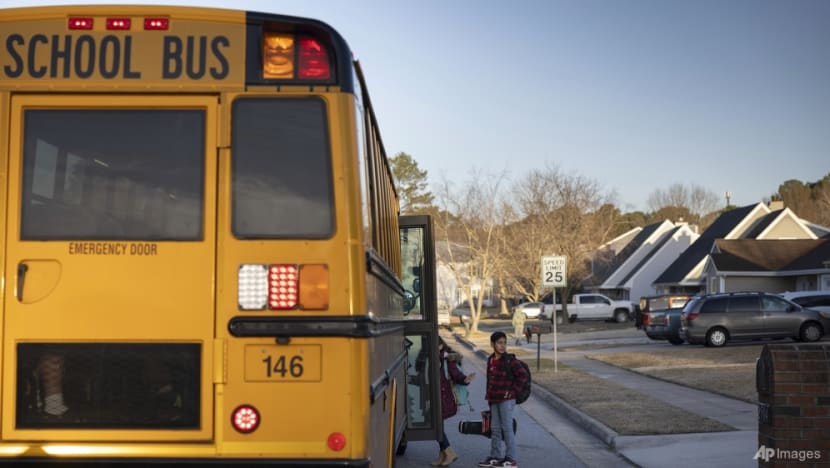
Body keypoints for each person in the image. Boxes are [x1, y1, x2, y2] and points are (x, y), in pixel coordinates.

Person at [478, 331, 529, 468]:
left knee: (507, 428)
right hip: (494, 399)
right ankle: (495, 456)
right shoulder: (490, 360)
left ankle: (511, 459)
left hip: (506, 400)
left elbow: (523, 377)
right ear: (492, 344)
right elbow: (490, 381)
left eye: (504, 343)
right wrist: (489, 398)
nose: (502, 346)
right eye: (499, 343)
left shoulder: (510, 360)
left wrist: (512, 392)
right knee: (495, 429)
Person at [432, 337, 475, 467]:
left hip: (444, 399)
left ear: (440, 346)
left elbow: (456, 374)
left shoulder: (446, 360)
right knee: (437, 425)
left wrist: (465, 379)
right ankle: (443, 454)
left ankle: (449, 452)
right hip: (435, 397)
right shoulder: (431, 359)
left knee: (436, 426)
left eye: (434, 345)